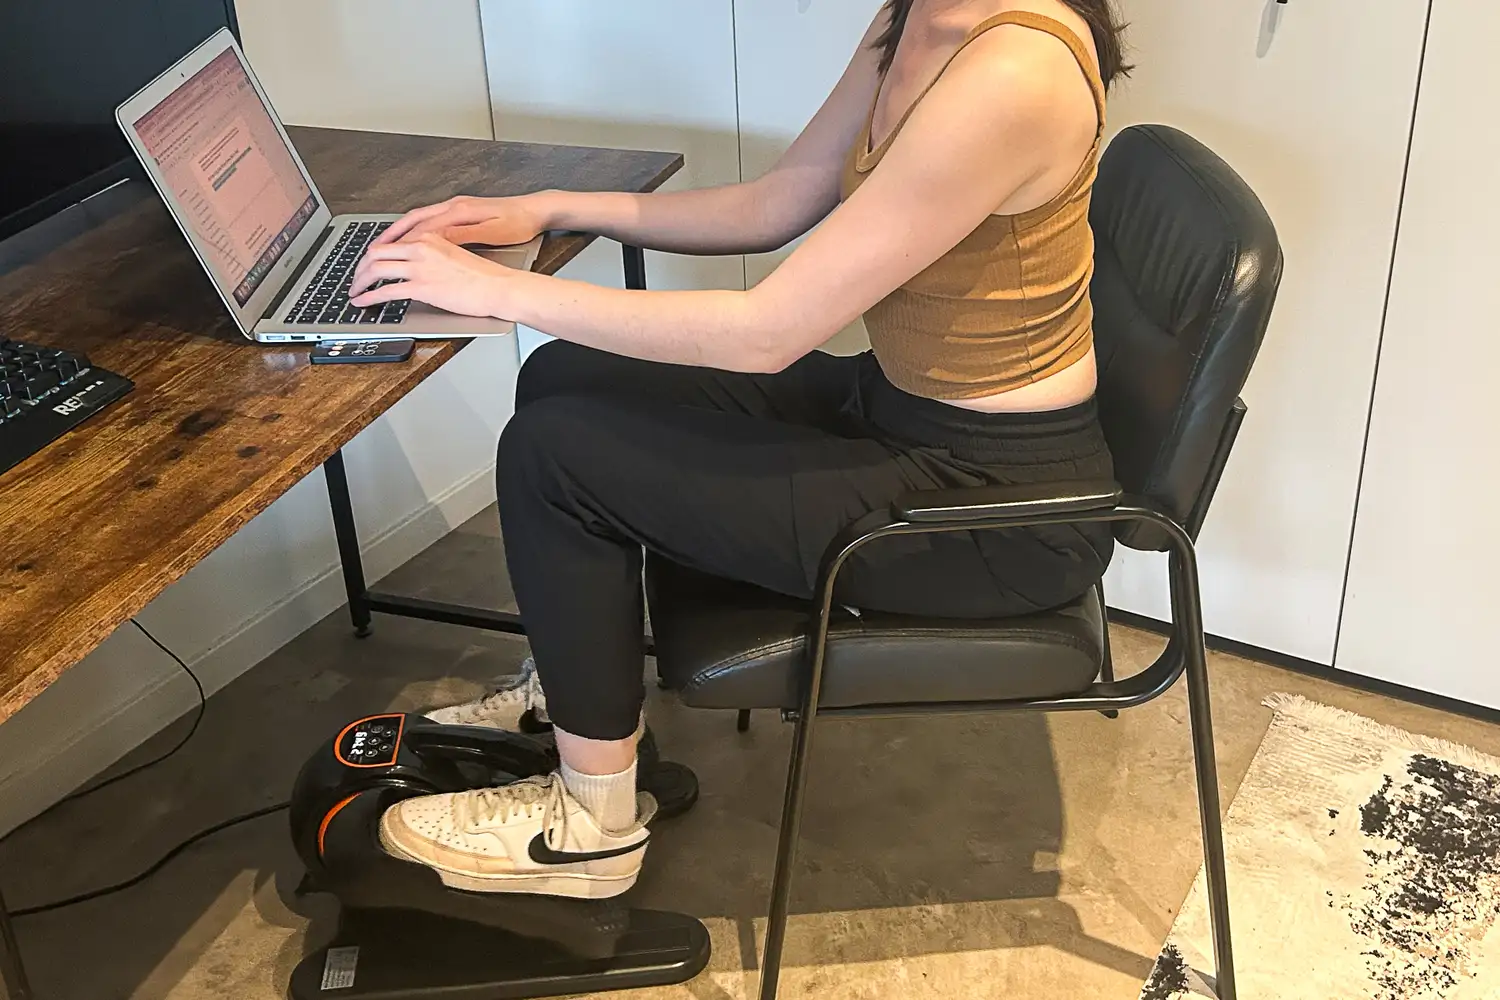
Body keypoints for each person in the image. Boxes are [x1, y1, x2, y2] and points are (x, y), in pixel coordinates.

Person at [352, 0, 1131, 899]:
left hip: (993, 508)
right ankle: (571, 700)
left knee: (553, 456)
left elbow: (769, 332)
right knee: (567, 378)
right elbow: (781, 199)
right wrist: (550, 206)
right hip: (899, 414)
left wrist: (497, 293)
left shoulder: (1015, 70)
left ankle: (591, 830)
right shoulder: (916, 14)